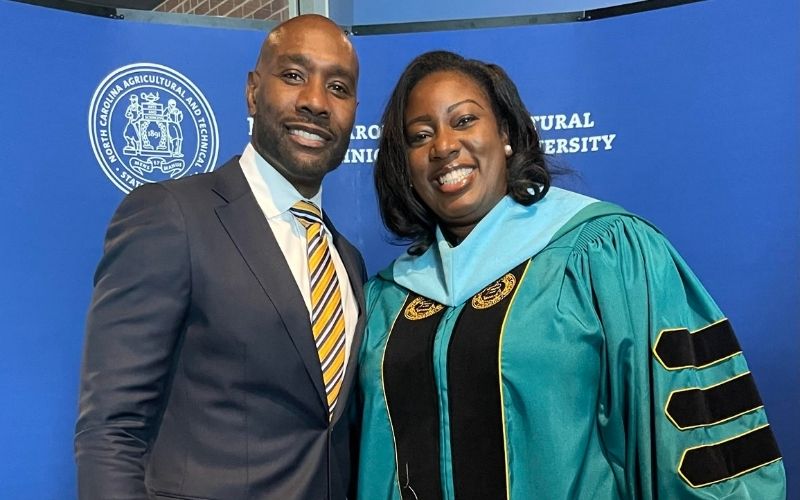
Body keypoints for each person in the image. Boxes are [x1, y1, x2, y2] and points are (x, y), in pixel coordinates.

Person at [358, 50, 786, 499]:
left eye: (464, 120)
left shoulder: (605, 253)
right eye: (420, 135)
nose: (444, 146)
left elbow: (697, 434)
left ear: (506, 134)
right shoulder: (389, 299)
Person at [75, 15, 365, 499]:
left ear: (354, 110)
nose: (316, 101)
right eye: (294, 75)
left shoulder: (347, 261)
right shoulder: (172, 216)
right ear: (253, 91)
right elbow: (111, 430)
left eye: (338, 87)